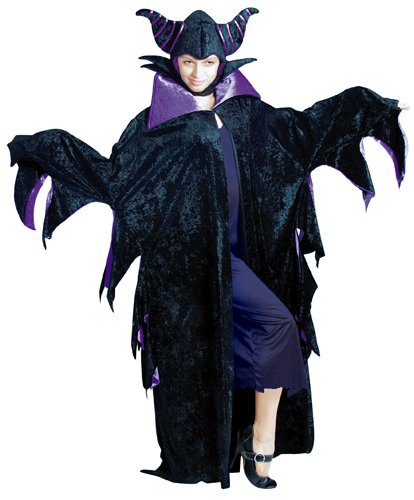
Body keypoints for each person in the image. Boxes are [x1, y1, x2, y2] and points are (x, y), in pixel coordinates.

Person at [6, 7, 408, 490]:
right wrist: (50, 152)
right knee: (229, 347)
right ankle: (250, 444)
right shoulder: (152, 126)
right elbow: (118, 181)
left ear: (223, 63)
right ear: (173, 61)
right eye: (188, 62)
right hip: (190, 268)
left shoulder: (250, 114)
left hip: (250, 256)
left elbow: (303, 134)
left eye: (209, 62)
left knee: (275, 328)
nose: (197, 72)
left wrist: (366, 109)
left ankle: (258, 435)